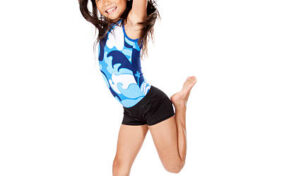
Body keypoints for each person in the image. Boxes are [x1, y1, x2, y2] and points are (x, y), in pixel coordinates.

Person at [78, 0, 197, 175]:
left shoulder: (133, 23)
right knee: (119, 166)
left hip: (152, 105)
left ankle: (180, 104)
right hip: (131, 110)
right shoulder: (109, 30)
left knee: (174, 166)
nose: (105, 3)